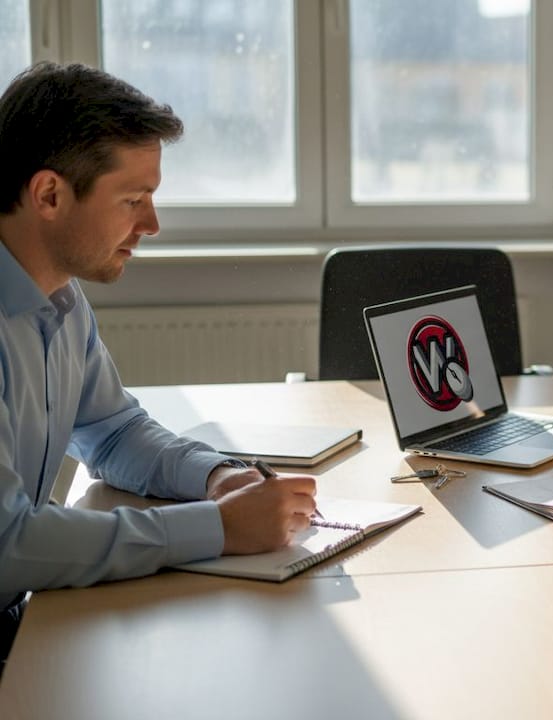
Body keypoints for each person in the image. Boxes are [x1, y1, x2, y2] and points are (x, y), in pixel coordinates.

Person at [0, 63, 320, 670]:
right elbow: (6, 543)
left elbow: (114, 430)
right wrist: (217, 529)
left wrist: (217, 479)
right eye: (133, 200)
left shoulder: (61, 300)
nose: (151, 224)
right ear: (49, 195)